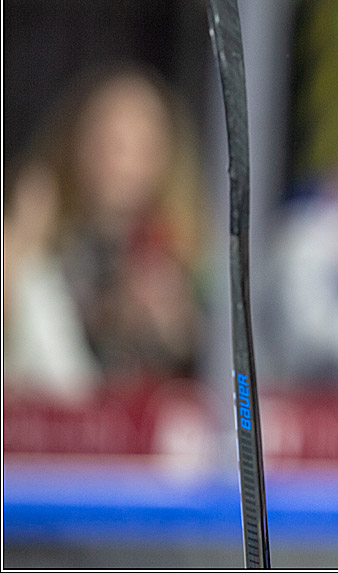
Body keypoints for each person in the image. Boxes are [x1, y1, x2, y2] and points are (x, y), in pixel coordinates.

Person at [3, 63, 209, 395]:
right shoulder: (46, 238)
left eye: (141, 145)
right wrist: (18, 245)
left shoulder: (181, 251)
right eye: (109, 140)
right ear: (76, 141)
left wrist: (179, 327)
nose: (121, 161)